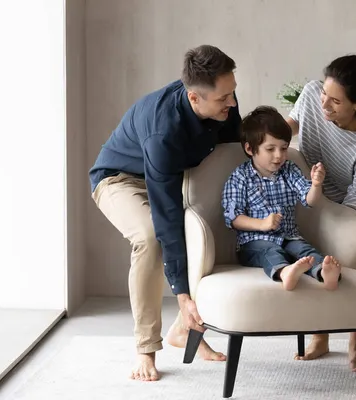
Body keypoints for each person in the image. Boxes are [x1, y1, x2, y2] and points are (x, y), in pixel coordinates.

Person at [88, 45, 241, 381]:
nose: (231, 103)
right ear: (194, 98)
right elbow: (166, 218)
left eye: (232, 93)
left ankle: (185, 330)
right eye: (223, 99)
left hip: (173, 176)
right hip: (120, 180)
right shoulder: (163, 130)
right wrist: (182, 294)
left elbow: (234, 153)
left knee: (209, 233)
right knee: (150, 238)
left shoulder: (223, 101)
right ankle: (146, 349)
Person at [286, 54, 356, 372]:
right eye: (325, 94)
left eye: (335, 101)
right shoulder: (310, 94)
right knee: (320, 262)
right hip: (319, 197)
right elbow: (291, 123)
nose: (324, 105)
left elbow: (355, 210)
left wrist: (330, 221)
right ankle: (320, 338)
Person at [222, 106, 342, 291]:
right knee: (270, 251)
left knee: (305, 251)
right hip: (254, 242)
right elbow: (233, 217)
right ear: (249, 148)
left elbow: (309, 200)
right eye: (270, 149)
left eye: (284, 148)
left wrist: (316, 185)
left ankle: (323, 273)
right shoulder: (240, 177)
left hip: (290, 237)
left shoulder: (290, 170)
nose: (279, 156)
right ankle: (285, 272)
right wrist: (262, 224)